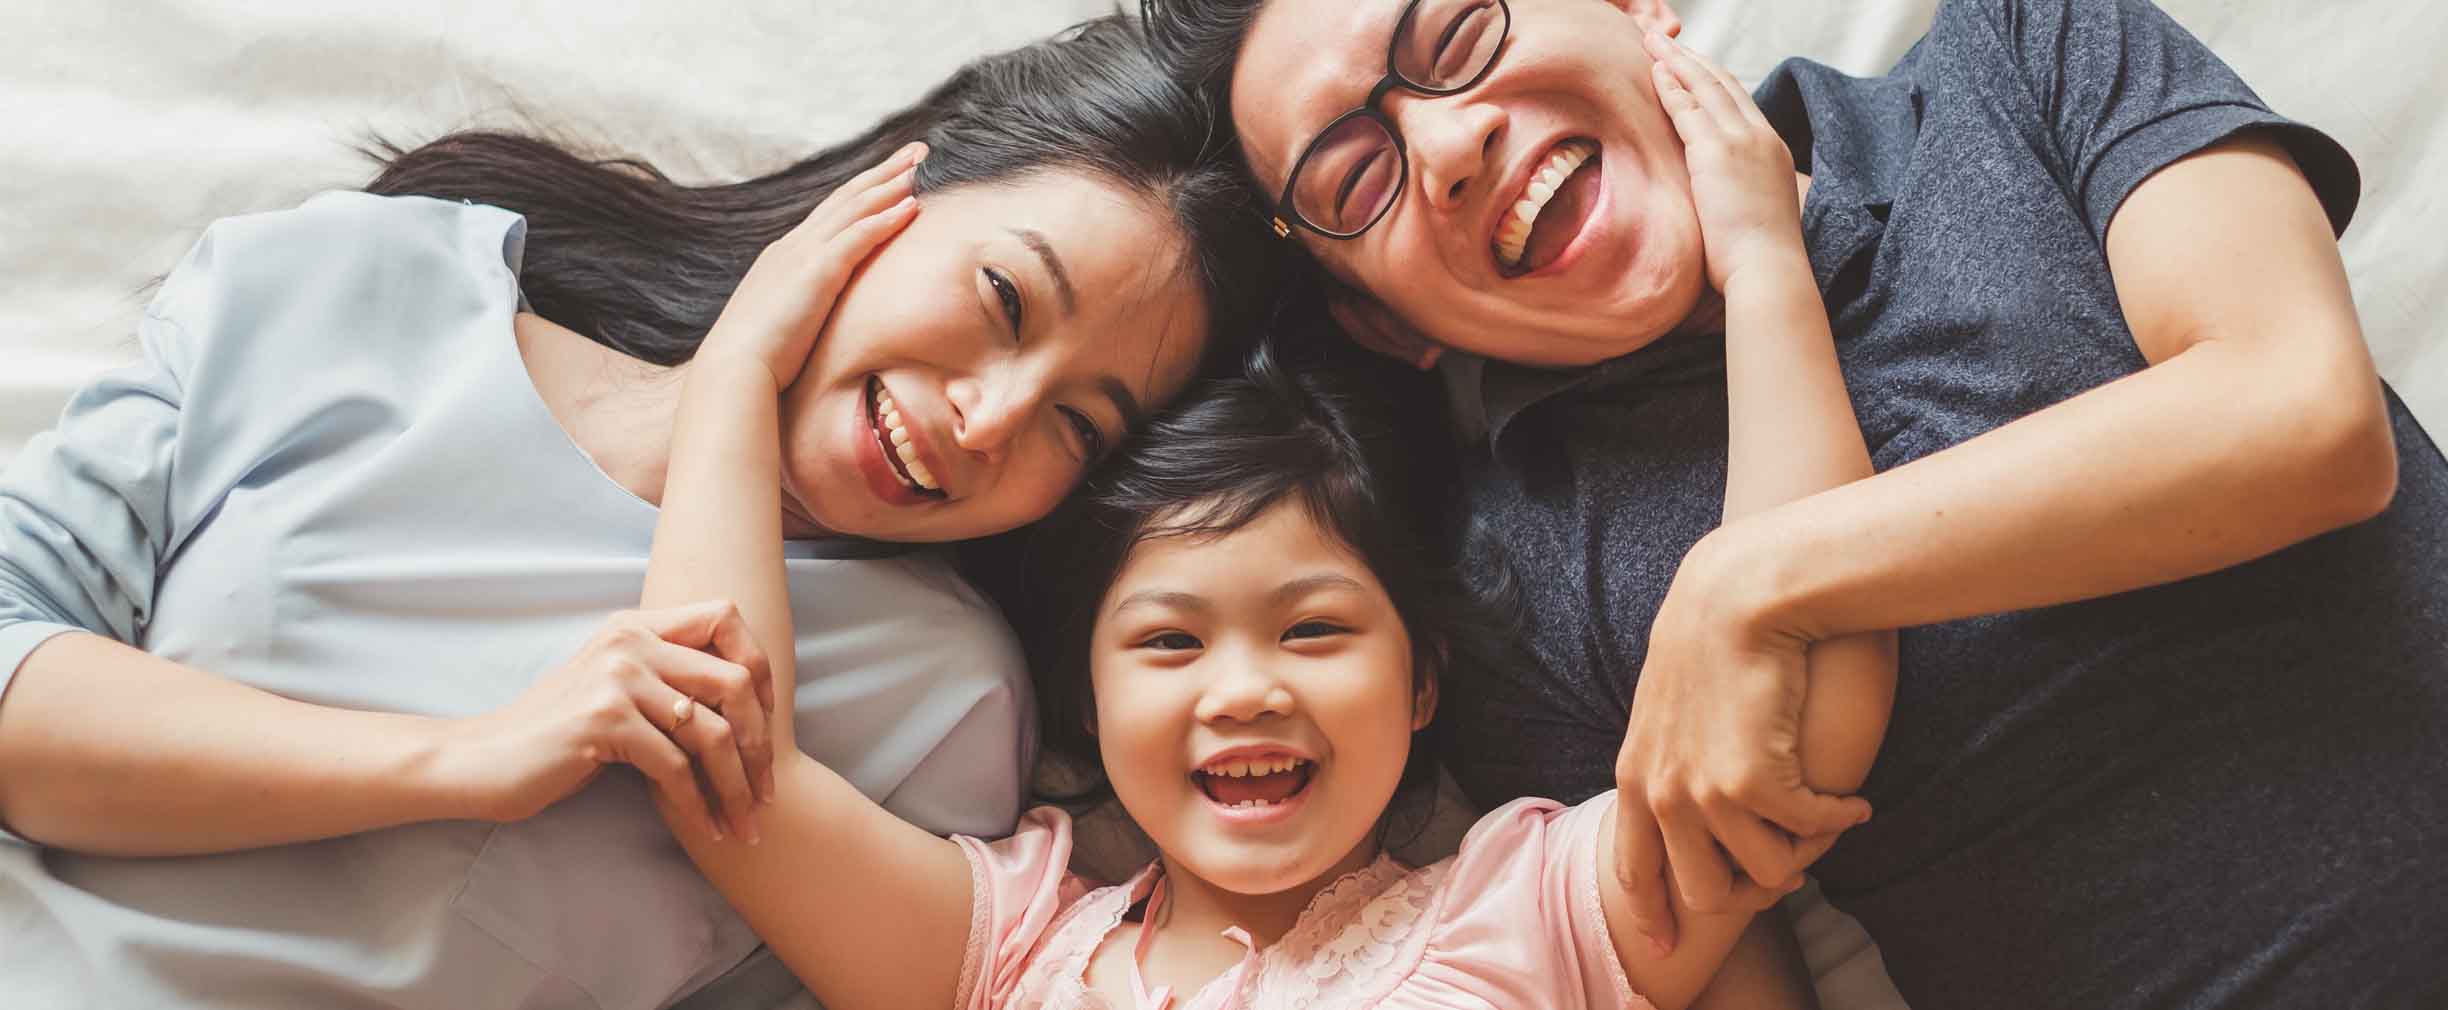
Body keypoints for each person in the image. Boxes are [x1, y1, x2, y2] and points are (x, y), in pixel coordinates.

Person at [1142, 0, 2448, 1005]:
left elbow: (2304, 415)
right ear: (1380, 320)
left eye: (1456, 30)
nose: (1449, 141)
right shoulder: (1516, 587)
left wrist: (1751, 584)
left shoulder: (2025, 50)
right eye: (1350, 180)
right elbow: (1703, 956)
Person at [0, 17, 1277, 1009]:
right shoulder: (356, 281)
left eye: (1079, 425)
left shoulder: (941, 703)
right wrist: (465, 759)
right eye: (1004, 297)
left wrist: (733, 386)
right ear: (896, 192)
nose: (991, 418)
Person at [626, 210, 1895, 1009]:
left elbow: (1800, 702)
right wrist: (738, 370)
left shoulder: (1534, 903)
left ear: (1421, 681)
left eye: (1314, 629)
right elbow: (721, 753)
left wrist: (1764, 267)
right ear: (1088, 698)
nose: (1244, 687)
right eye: (1169, 640)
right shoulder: (1006, 949)